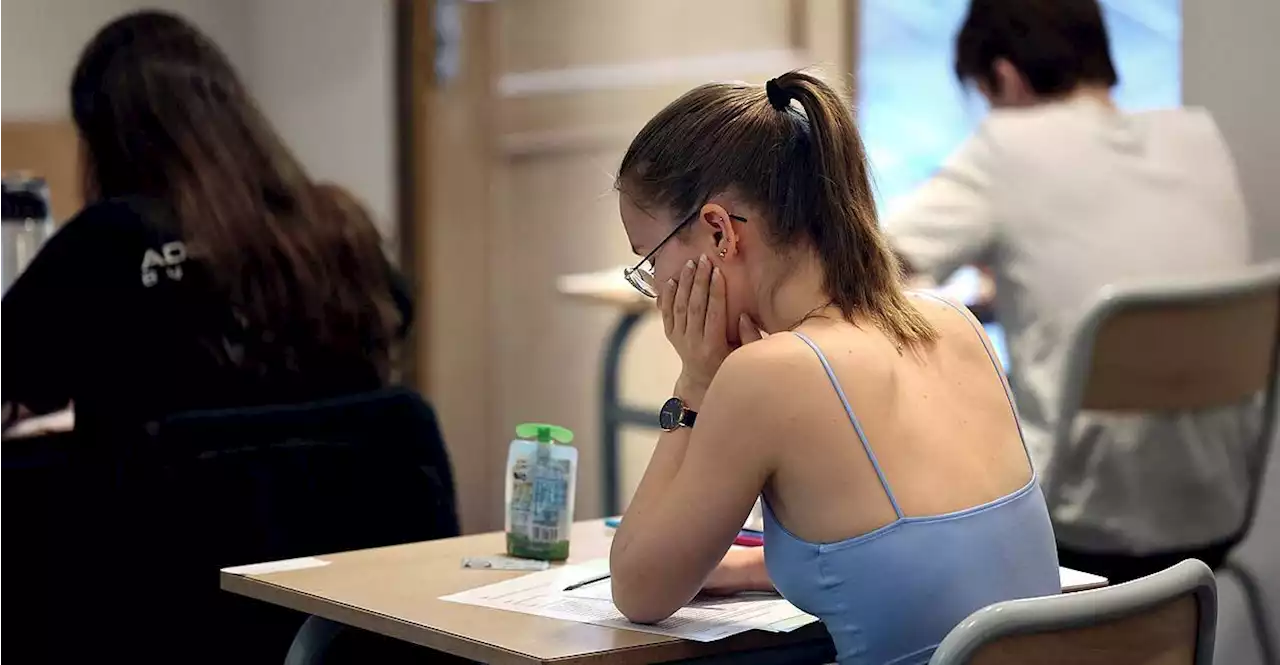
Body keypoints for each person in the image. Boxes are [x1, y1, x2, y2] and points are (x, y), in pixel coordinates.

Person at [609, 70, 1059, 665]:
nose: (656, 286)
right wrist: (754, 567)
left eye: (651, 259)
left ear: (718, 231)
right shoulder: (955, 324)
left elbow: (639, 590)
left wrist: (695, 381)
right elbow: (928, 557)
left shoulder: (770, 375)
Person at [881, 0, 1255, 582]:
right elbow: (1129, 294)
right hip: (1215, 505)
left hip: (1078, 513)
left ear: (1004, 76)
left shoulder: (1008, 147)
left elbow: (864, 261)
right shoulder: (1195, 136)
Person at [0, 10, 411, 437]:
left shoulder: (106, 243)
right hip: (334, 501)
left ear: (108, 141)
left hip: (157, 505)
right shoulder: (340, 228)